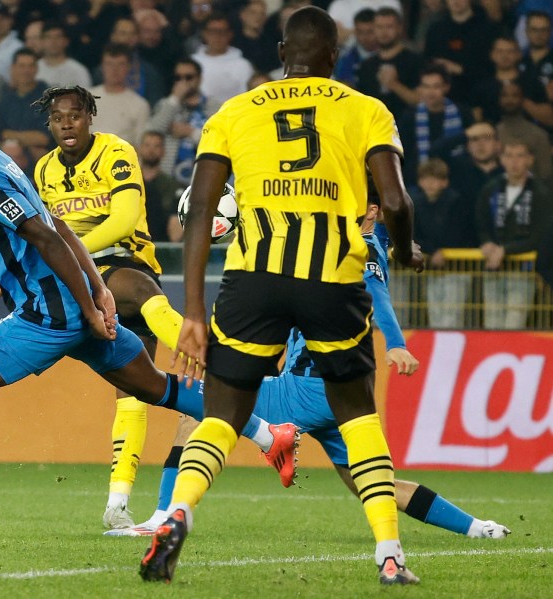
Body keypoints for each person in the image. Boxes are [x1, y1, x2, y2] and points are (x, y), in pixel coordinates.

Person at [0, 87, 278, 545]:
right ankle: (268, 434)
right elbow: (60, 226)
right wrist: (99, 295)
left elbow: (48, 240)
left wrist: (92, 305)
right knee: (156, 387)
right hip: (71, 307)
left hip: (49, 315)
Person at [139, 7, 424, 586]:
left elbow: (199, 208)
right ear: (336, 54)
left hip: (252, 280)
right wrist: (406, 248)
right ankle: (390, 554)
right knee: (357, 414)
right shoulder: (367, 109)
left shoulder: (234, 111)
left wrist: (193, 309)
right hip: (332, 279)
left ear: (280, 52)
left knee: (221, 415)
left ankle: (178, 512)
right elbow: (394, 202)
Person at [124, 194, 510, 540]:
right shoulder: (339, 244)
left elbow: (379, 294)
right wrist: (400, 245)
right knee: (375, 486)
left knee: (197, 405)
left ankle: (163, 515)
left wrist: (395, 343)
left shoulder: (361, 248)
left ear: (371, 212)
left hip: (308, 390)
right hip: (335, 394)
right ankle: (480, 528)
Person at [476, 140, 553, 329]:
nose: (514, 162)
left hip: (523, 270)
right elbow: (480, 223)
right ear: (501, 159)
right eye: (509, 156)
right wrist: (486, 243)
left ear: (530, 160)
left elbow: (541, 235)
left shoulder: (541, 193)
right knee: (491, 324)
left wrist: (506, 250)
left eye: (520, 156)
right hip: (493, 268)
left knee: (513, 323)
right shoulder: (491, 188)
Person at [411, 159, 474, 329]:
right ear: (419, 181)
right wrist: (432, 252)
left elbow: (458, 235)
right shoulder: (414, 204)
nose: (430, 183)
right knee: (435, 315)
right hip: (432, 270)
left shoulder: (457, 202)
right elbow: (414, 235)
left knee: (452, 317)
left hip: (456, 269)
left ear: (445, 182)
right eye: (426, 179)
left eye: (436, 179)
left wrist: (441, 251)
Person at [147, 57, 220, 187]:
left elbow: (220, 141)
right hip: (169, 177)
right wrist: (175, 99)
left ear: (199, 78)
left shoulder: (214, 106)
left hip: (204, 179)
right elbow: (152, 132)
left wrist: (192, 133)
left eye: (189, 77)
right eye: (178, 78)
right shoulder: (167, 104)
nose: (183, 82)